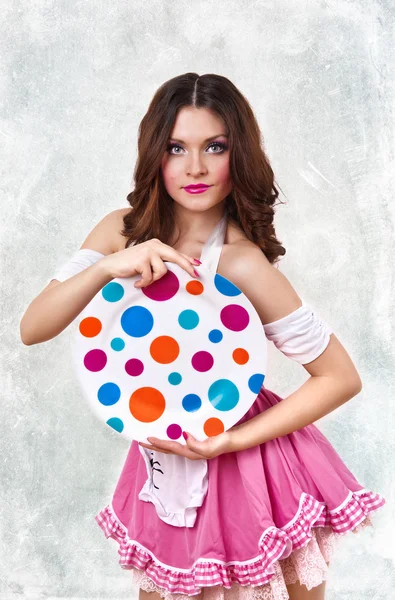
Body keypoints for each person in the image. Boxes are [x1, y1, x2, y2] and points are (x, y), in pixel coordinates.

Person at [20, 73, 386, 600]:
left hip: (248, 457)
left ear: (239, 157)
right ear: (155, 154)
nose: (195, 167)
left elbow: (339, 377)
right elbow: (34, 327)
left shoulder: (242, 262)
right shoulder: (118, 230)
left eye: (215, 147)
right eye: (176, 148)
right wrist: (108, 267)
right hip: (164, 443)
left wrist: (233, 440)